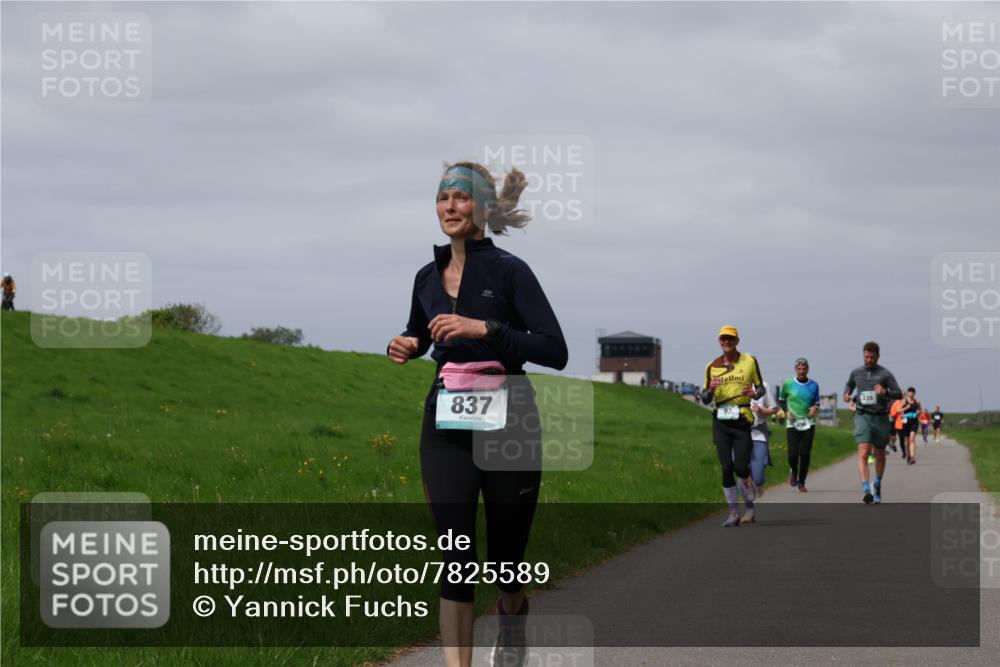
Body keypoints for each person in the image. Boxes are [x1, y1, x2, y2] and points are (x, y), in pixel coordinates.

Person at [387, 162, 567, 667]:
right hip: (445, 422)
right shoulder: (426, 276)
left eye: (462, 198)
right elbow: (422, 332)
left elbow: (554, 349)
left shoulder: (510, 271)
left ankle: (512, 619)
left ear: (483, 208)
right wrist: (407, 343)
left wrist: (484, 328)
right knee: (456, 555)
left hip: (510, 421)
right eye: (443, 198)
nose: (450, 207)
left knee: (506, 561)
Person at [701, 325, 767, 527]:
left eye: (730, 339)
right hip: (720, 420)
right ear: (719, 341)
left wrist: (754, 394)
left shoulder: (749, 361)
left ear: (737, 341)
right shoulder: (711, 366)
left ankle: (748, 481)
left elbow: (761, 387)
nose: (726, 342)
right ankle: (733, 512)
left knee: (740, 466)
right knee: (726, 467)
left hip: (742, 419)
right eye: (723, 339)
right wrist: (710, 391)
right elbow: (704, 398)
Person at [843, 341, 902, 504]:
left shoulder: (885, 374)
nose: (868, 360)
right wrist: (846, 394)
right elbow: (849, 386)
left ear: (878, 356)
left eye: (872, 357)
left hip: (880, 417)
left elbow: (899, 394)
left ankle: (877, 483)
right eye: (866, 356)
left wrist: (885, 392)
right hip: (862, 415)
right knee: (863, 452)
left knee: (880, 454)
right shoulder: (856, 372)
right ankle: (865, 489)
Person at [778, 358, 820, 493]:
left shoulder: (814, 385)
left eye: (804, 369)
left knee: (805, 454)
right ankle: (794, 472)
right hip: (792, 423)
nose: (801, 371)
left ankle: (801, 482)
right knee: (792, 455)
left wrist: (815, 408)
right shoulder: (788, 383)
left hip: (808, 423)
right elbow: (782, 400)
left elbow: (817, 402)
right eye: (799, 369)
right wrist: (787, 411)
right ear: (795, 369)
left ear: (807, 369)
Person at [741, 380, 778, 523]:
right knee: (741, 472)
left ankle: (759, 483)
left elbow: (774, 409)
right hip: (738, 434)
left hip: (758, 434)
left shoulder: (764, 385)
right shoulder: (732, 382)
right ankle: (749, 510)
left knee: (757, 477)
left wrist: (763, 411)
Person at [899, 387, 922, 464]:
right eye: (909, 391)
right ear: (908, 393)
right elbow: (898, 410)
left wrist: (918, 412)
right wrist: (905, 408)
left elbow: (920, 410)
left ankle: (912, 456)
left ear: (914, 393)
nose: (911, 393)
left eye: (912, 392)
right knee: (906, 441)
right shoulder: (904, 401)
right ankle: (908, 454)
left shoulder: (917, 402)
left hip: (914, 422)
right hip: (906, 422)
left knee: (912, 439)